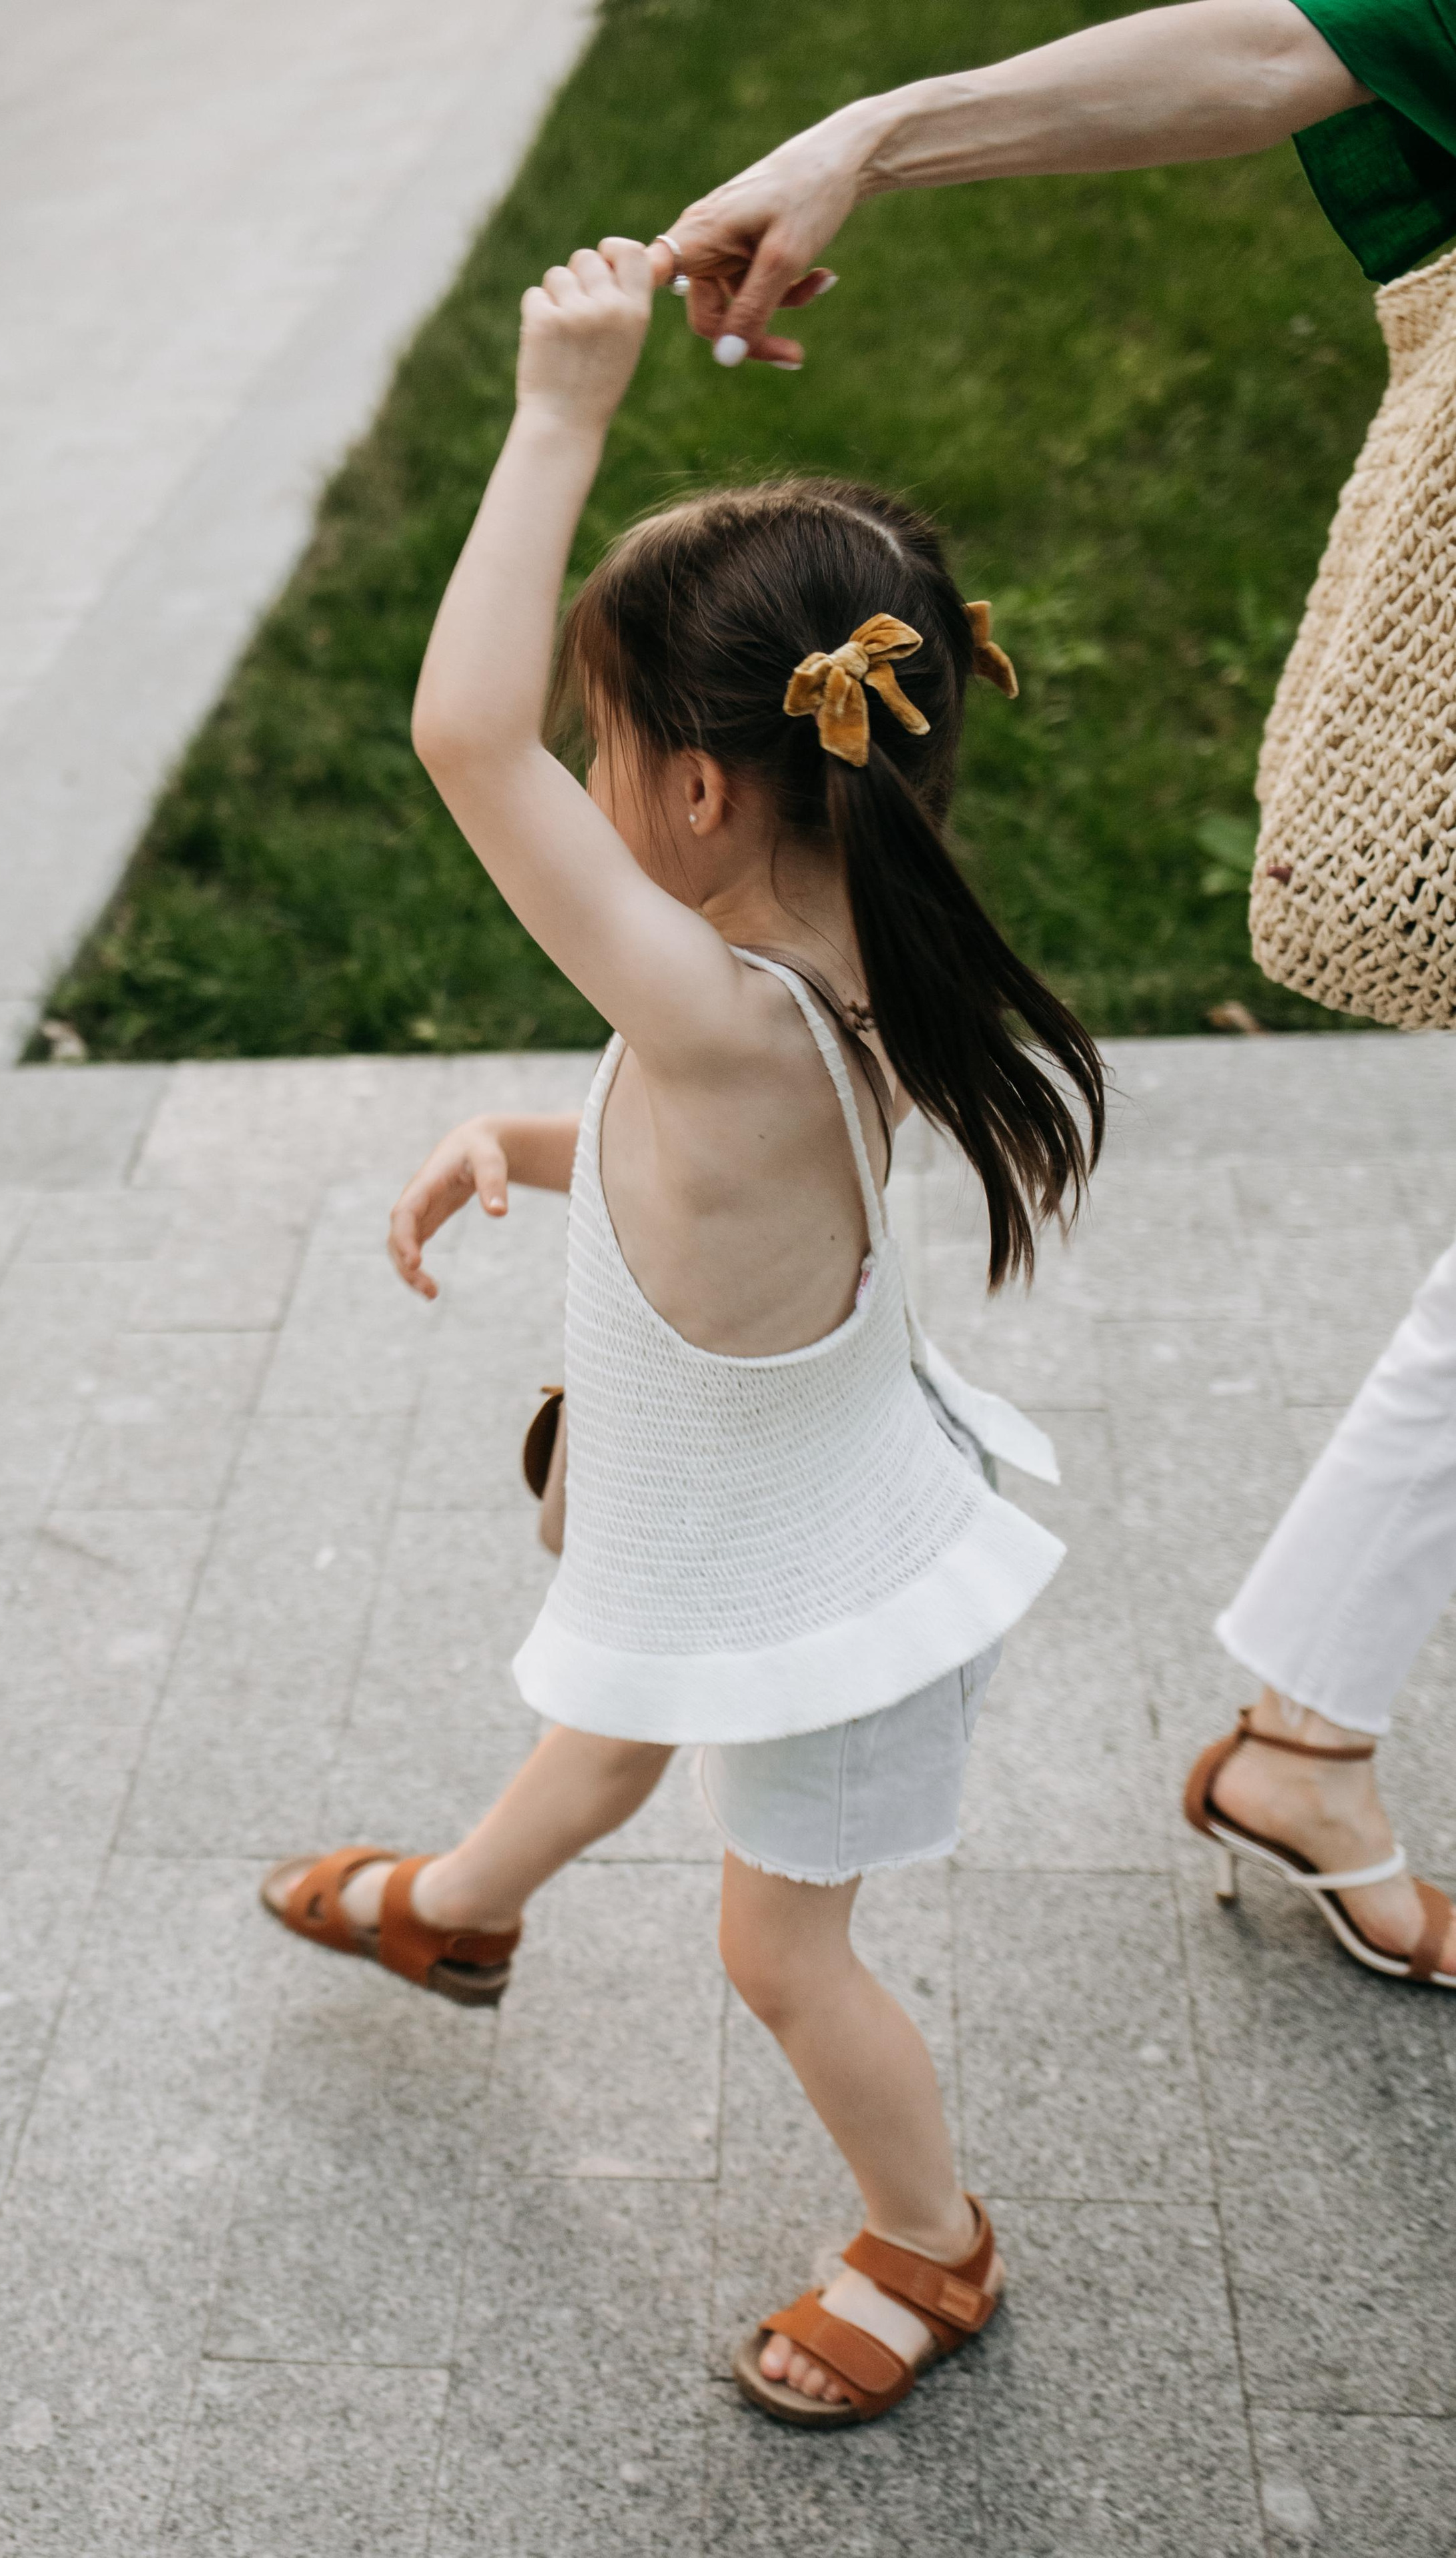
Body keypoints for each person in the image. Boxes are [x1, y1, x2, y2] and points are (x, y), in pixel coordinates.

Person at [263, 236, 1106, 2421]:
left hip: (830, 1592)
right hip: (732, 1520)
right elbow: (721, 1159)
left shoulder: (736, 1016)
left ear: (704, 798)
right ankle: (459, 1906)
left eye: (610, 743)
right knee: (611, 1716)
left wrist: (562, 407)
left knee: (777, 1951)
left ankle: (934, 2247)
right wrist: (534, 1142)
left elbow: (458, 731)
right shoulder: (839, 968)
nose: (583, 774)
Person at [647, 0, 1456, 1993]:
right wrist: (877, 134)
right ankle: (1306, 1739)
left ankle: (1309, 1737)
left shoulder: (761, 1032)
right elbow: (1303, 42)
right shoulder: (751, 1032)